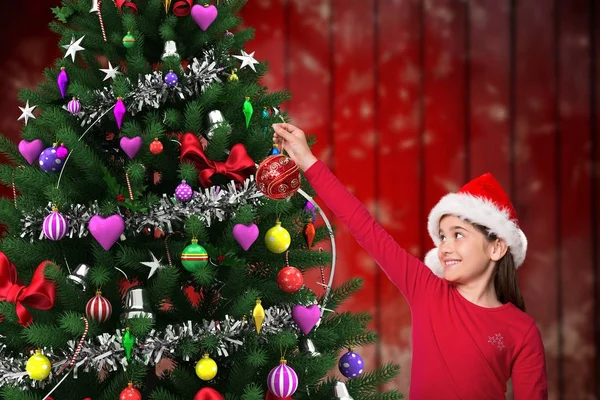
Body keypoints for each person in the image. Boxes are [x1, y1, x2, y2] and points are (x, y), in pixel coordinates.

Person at [272, 122, 548, 400]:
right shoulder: (426, 290)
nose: (445, 248)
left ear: (497, 247)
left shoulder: (522, 331)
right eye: (442, 237)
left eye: (458, 235)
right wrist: (307, 160)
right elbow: (363, 225)